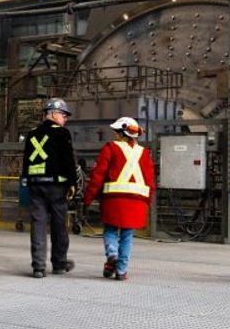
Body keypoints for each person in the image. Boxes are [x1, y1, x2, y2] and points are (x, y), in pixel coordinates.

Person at [82, 117, 154, 281]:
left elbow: (98, 175)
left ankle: (112, 254)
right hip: (136, 201)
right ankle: (121, 271)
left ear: (121, 133)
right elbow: (150, 180)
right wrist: (148, 201)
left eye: (116, 132)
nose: (114, 134)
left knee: (110, 230)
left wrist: (88, 198)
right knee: (127, 235)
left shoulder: (110, 148)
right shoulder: (144, 153)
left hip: (113, 200)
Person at [21, 98, 78, 278]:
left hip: (36, 185)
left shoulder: (32, 134)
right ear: (53, 113)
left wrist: (26, 180)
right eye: (63, 115)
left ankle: (38, 267)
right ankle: (59, 264)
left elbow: (26, 159)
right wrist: (73, 183)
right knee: (59, 225)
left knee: (38, 224)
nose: (65, 119)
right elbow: (68, 160)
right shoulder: (62, 133)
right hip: (56, 186)